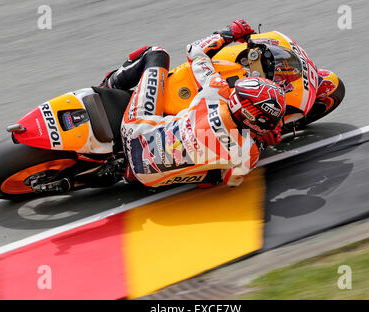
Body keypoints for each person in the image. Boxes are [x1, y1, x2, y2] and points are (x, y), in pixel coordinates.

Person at [100, 20, 286, 187]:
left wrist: (226, 34)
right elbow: (232, 180)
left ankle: (109, 86)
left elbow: (194, 50)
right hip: (148, 179)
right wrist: (260, 142)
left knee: (156, 54)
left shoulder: (216, 92)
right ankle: (129, 172)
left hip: (135, 132)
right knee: (217, 173)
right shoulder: (250, 154)